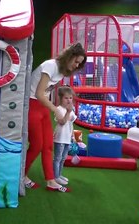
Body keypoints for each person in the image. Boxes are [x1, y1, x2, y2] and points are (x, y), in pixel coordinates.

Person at [24, 42, 86, 193]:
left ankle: (51, 181)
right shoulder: (51, 65)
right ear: (69, 57)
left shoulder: (61, 72)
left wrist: (52, 108)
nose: (77, 66)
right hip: (33, 105)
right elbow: (39, 93)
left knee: (48, 146)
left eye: (79, 64)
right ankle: (21, 175)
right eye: (76, 61)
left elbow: (45, 93)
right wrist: (56, 110)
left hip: (43, 107)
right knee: (37, 145)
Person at [53, 86, 77, 186]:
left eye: (70, 98)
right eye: (66, 98)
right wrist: (68, 111)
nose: (69, 100)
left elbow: (71, 124)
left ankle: (59, 174)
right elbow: (62, 122)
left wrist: (73, 136)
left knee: (63, 158)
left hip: (67, 138)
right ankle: (55, 177)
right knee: (58, 158)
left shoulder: (71, 110)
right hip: (59, 138)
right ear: (61, 98)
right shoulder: (58, 109)